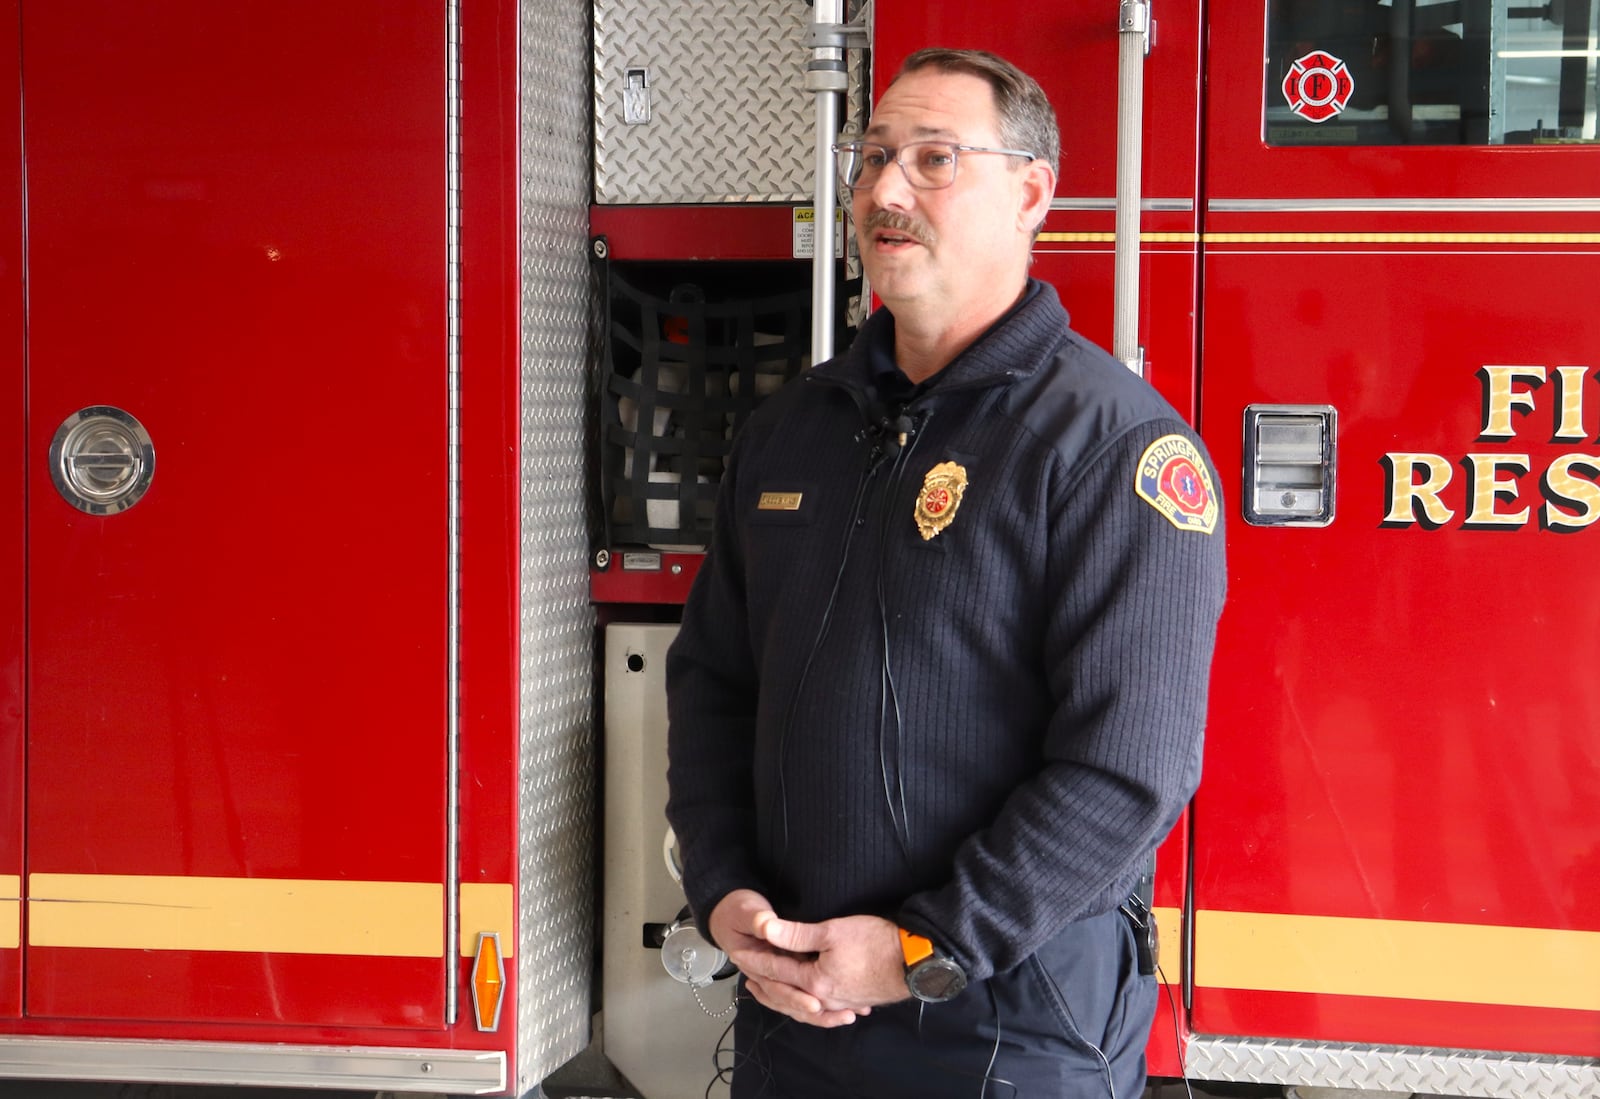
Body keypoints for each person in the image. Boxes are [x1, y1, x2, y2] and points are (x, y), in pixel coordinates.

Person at [665, 47, 1227, 1099]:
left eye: (933, 159)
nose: (883, 190)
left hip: (1006, 1029)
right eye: (872, 155)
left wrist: (924, 947)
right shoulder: (793, 431)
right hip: (798, 1014)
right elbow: (713, 684)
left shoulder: (1112, 450)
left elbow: (1125, 769)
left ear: (1030, 192)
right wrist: (721, 887)